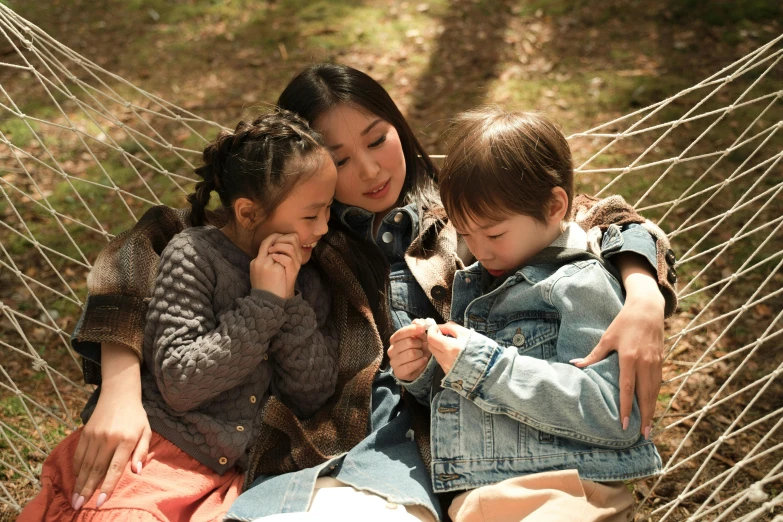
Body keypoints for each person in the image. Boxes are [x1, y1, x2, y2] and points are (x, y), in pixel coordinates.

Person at [63, 64, 677, 520]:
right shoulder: (297, 234)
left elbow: (603, 216)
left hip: (485, 437)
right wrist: (120, 387)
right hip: (349, 442)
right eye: (339, 158)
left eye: (378, 139)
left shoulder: (464, 211)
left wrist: (643, 288)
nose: (372, 171)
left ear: (399, 128)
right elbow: (147, 247)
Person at [20, 110, 345, 520]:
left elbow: (312, 394)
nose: (323, 227)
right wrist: (263, 304)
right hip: (154, 456)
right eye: (311, 215)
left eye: (328, 210)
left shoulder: (308, 281)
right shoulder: (193, 256)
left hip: (221, 481)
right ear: (247, 213)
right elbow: (180, 382)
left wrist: (289, 301)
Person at [390, 108, 663, 522]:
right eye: (466, 235)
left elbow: (614, 414)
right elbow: (476, 406)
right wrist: (427, 373)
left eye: (494, 233)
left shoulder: (581, 282)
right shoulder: (479, 282)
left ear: (555, 206)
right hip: (475, 499)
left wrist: (485, 367)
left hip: (567, 493)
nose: (479, 250)